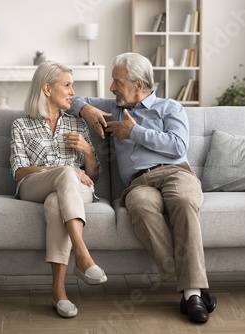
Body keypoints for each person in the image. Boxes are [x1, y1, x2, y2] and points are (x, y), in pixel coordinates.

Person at [69, 52, 216, 323]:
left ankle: (192, 294)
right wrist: (85, 108)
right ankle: (188, 283)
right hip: (138, 183)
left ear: (138, 84)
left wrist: (133, 132)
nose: (112, 87)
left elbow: (178, 146)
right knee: (140, 206)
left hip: (176, 173)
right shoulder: (112, 106)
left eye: (117, 81)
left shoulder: (169, 107)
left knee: (184, 203)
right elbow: (69, 99)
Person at [10, 60, 107, 319]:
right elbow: (19, 172)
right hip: (33, 187)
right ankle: (82, 254)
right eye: (67, 85)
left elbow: (94, 176)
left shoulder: (77, 124)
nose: (72, 93)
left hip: (75, 190)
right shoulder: (21, 125)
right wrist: (60, 170)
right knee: (64, 173)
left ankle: (58, 292)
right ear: (47, 89)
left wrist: (87, 151)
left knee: (55, 203)